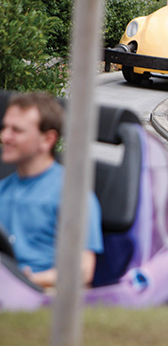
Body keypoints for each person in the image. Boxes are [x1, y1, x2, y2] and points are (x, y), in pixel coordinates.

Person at [0, 92, 103, 288]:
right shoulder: (3, 189)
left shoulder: (73, 195)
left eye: (17, 130)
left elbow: (83, 271)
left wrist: (30, 281)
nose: (5, 136)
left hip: (44, 297)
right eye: (5, 127)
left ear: (47, 140)